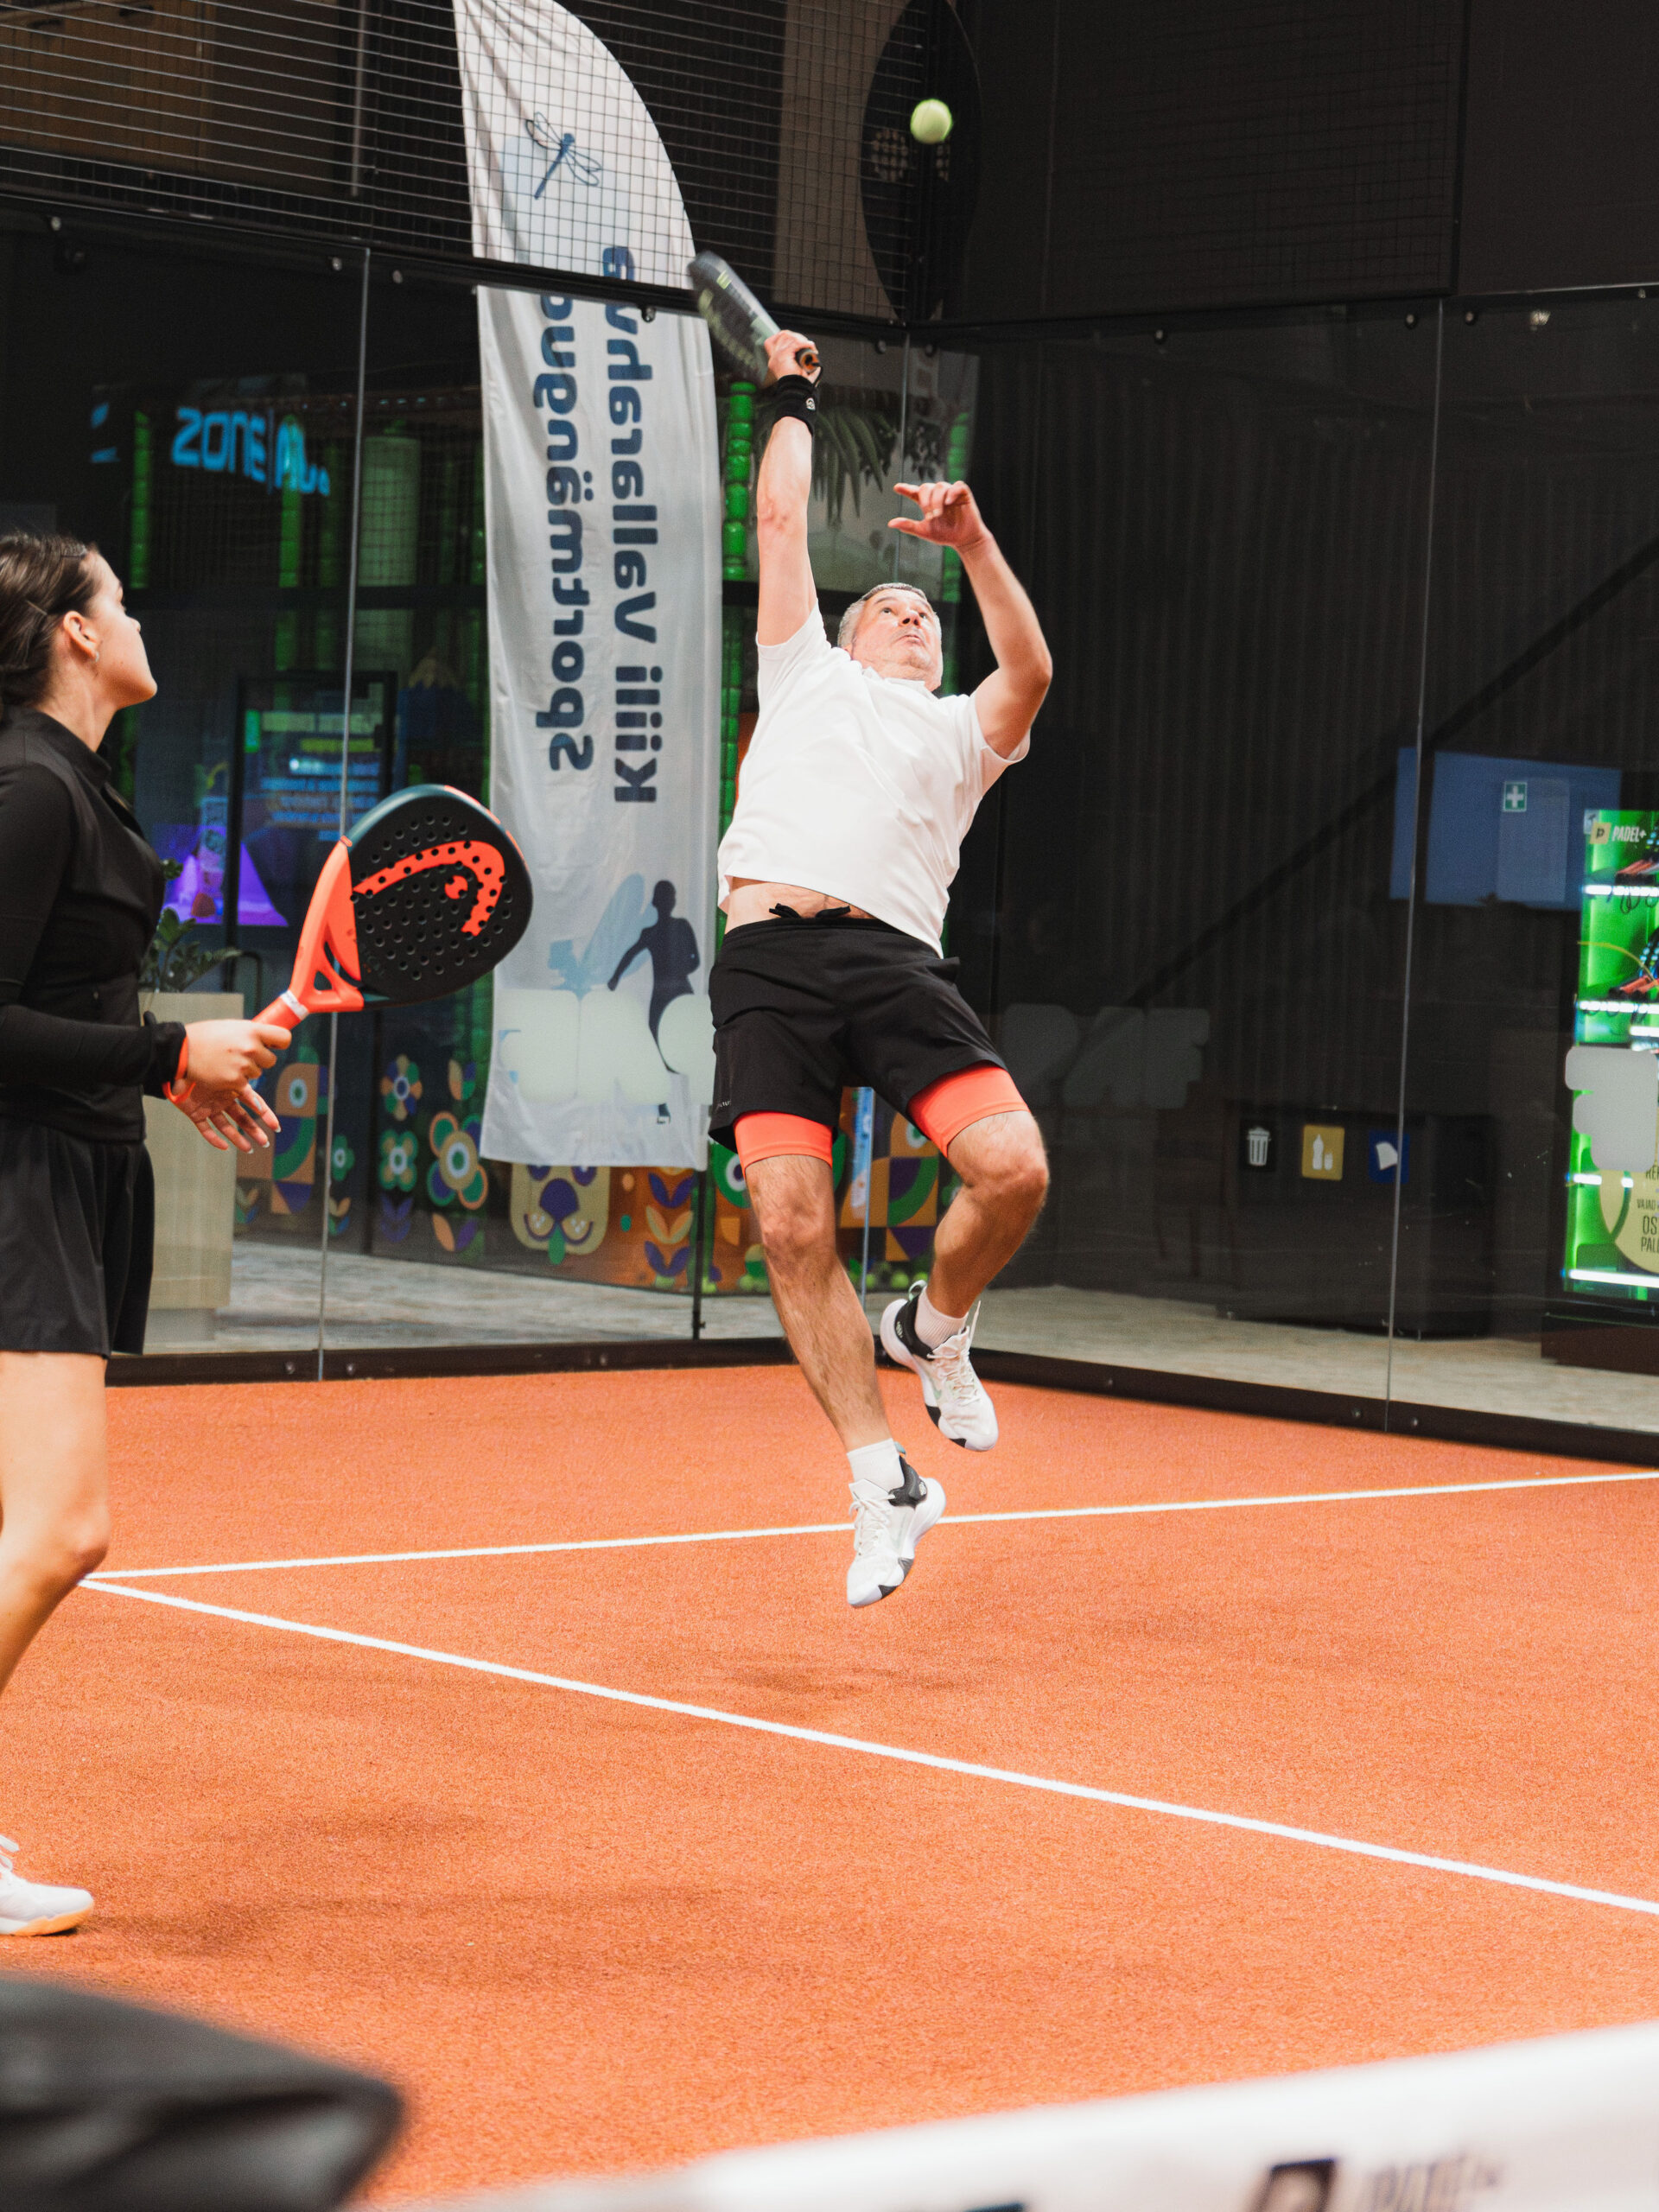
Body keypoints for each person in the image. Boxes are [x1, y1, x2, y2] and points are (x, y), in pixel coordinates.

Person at [710, 331, 1052, 1610]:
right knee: (791, 1226)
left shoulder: (963, 730)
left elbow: (1032, 668)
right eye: (888, 608)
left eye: (925, 614)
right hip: (767, 964)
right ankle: (881, 1479)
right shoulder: (803, 671)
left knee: (1014, 1169)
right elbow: (780, 519)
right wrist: (791, 394)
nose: (910, 616)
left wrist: (975, 546)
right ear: (847, 637)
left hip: (894, 960)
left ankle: (936, 1326)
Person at [0, 531, 287, 1931]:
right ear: (71, 631)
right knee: (62, 1529)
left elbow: (66, 1004)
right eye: (117, 599)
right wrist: (169, 1049)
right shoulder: (29, 786)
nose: (136, 616)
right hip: (20, 1182)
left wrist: (170, 1074)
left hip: (73, 1166)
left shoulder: (72, 782)